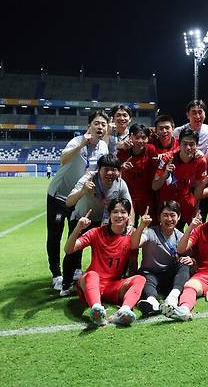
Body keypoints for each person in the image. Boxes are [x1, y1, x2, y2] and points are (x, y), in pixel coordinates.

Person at [46, 111, 109, 291]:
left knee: (77, 232)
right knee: (55, 236)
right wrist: (81, 144)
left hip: (79, 197)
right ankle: (56, 274)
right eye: (96, 123)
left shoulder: (103, 147)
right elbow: (63, 159)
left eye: (103, 124)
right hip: (59, 196)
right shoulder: (76, 141)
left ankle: (75, 270)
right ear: (89, 125)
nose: (100, 127)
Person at [60, 154, 135, 296]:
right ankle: (66, 283)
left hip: (103, 222)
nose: (110, 173)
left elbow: (129, 206)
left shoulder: (120, 183)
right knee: (74, 251)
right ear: (99, 169)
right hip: (82, 219)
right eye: (106, 169)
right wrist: (83, 191)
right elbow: (69, 201)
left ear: (119, 171)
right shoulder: (88, 179)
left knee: (118, 248)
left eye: (114, 170)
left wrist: (129, 225)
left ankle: (114, 280)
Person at [63, 198, 146, 326]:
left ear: (129, 216)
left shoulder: (132, 235)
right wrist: (78, 228)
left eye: (123, 212)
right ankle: (96, 309)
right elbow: (68, 249)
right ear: (109, 214)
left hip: (112, 286)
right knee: (92, 274)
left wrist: (129, 285)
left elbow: (133, 261)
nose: (119, 215)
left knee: (140, 279)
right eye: (115, 212)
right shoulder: (96, 232)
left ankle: (124, 311)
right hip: (92, 285)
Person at [130, 201, 195, 317]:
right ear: (159, 217)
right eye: (165, 215)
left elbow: (193, 256)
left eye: (172, 215)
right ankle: (152, 302)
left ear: (179, 217)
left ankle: (173, 298)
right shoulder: (150, 232)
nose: (169, 218)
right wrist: (141, 226)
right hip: (151, 274)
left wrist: (192, 260)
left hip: (169, 277)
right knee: (143, 277)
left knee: (184, 265)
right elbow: (134, 244)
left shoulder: (180, 236)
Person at [152, 127, 207, 228]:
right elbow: (154, 186)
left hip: (186, 200)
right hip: (167, 201)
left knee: (197, 229)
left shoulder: (201, 161)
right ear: (179, 144)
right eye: (185, 144)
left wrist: (196, 212)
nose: (188, 148)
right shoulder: (167, 159)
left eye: (192, 144)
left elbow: (198, 190)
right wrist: (165, 174)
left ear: (197, 145)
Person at [117, 124, 158, 224]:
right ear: (131, 136)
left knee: (152, 225)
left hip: (147, 196)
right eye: (137, 137)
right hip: (128, 196)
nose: (140, 141)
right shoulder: (122, 152)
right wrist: (121, 168)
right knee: (129, 226)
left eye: (144, 138)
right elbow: (115, 172)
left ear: (148, 139)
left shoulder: (151, 150)